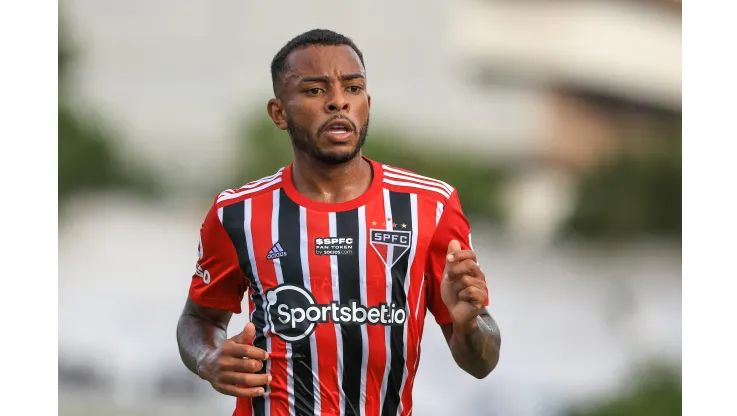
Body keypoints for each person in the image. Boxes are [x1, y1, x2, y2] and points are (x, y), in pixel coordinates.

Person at [176, 29, 501, 416]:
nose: (338, 102)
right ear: (279, 113)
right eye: (315, 90)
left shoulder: (430, 206)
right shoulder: (237, 212)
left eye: (353, 88)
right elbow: (199, 318)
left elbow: (481, 363)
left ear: (367, 102)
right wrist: (207, 358)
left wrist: (468, 326)